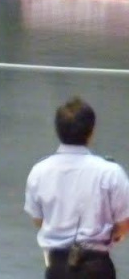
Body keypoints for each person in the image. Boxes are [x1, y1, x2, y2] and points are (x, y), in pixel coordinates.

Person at [25, 97, 129, 279]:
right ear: (91, 132)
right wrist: (111, 235)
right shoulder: (111, 172)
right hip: (97, 266)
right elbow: (124, 223)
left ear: (57, 130)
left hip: (57, 267)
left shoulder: (39, 171)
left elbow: (38, 220)